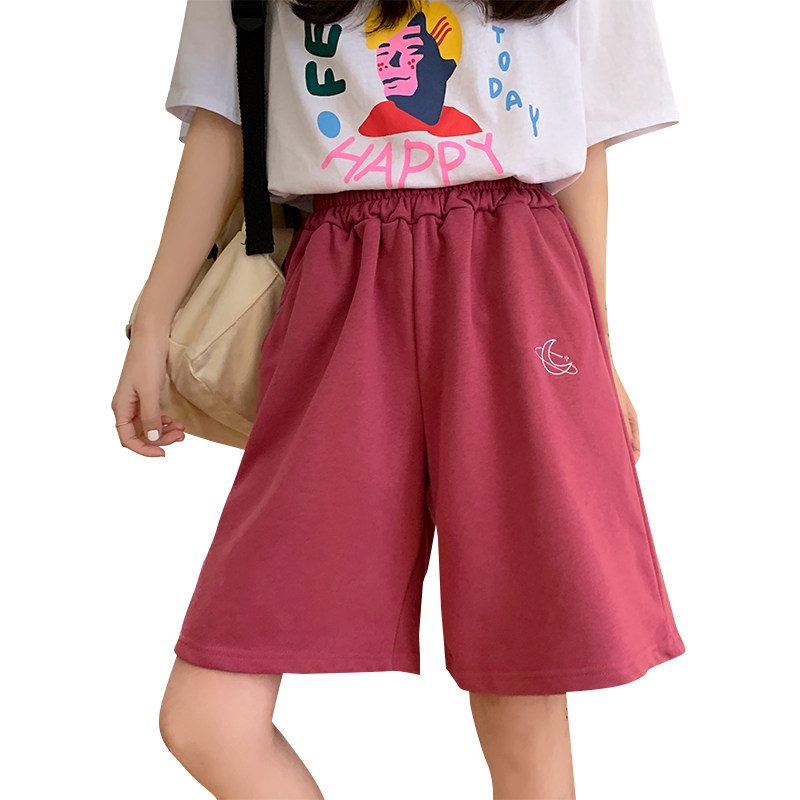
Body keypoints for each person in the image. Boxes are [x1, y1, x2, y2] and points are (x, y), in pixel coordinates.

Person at [110, 0, 687, 796]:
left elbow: (583, 137)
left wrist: (598, 347)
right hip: (340, 288)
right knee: (206, 717)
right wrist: (151, 323)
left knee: (521, 697)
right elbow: (225, 115)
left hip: (517, 280)